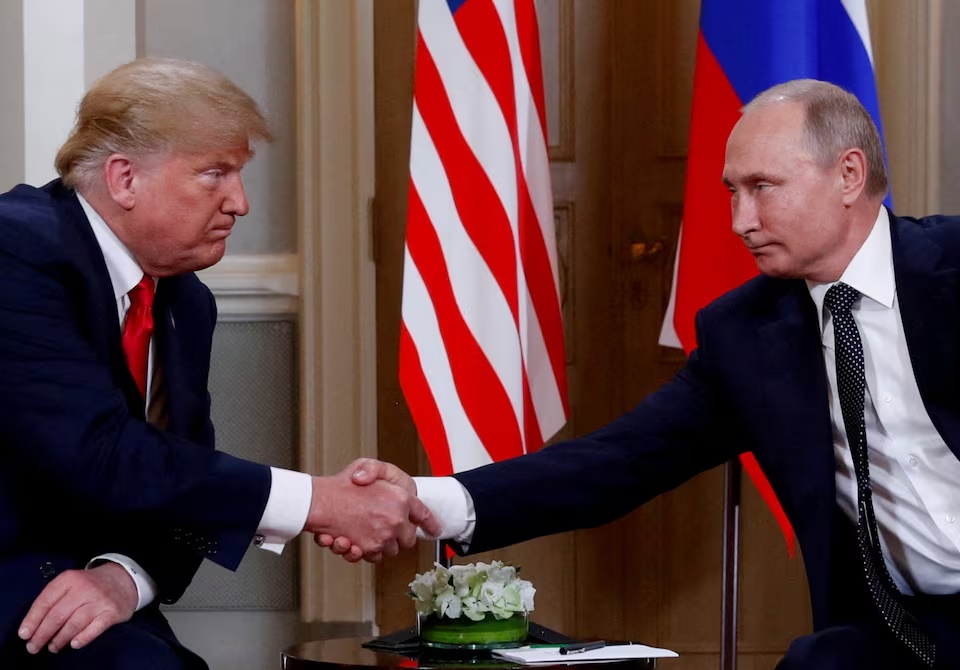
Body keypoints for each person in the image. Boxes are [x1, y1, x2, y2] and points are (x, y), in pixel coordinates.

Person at [326, 79, 960, 669]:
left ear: (848, 174)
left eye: (762, 187)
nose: (739, 220)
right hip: (903, 631)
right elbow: (618, 461)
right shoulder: (746, 335)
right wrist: (426, 497)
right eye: (730, 192)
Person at [0, 57, 439, 669]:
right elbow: (100, 452)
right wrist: (318, 501)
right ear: (124, 179)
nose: (241, 203)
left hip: (92, 597)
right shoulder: (16, 249)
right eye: (216, 174)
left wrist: (126, 578)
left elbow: (185, 476)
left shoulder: (185, 301)